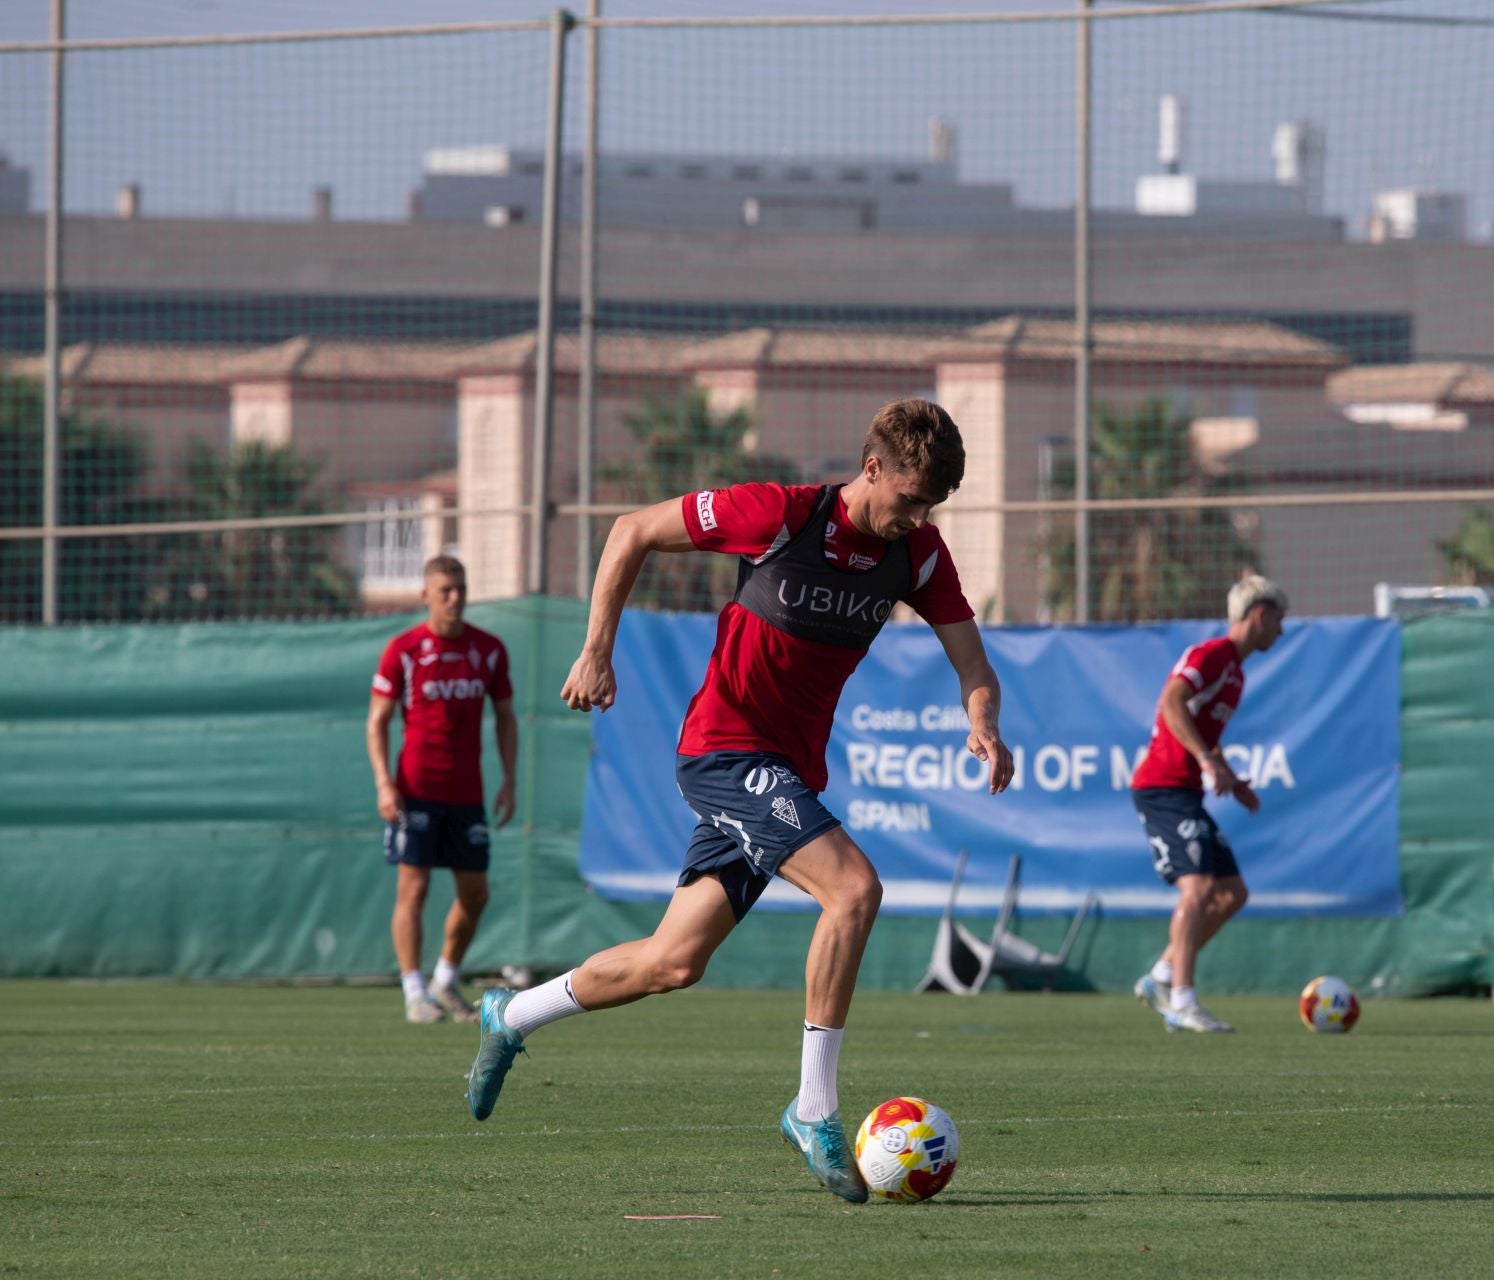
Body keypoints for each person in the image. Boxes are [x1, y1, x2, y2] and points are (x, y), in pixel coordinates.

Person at [462, 398, 1014, 1204]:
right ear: (872, 469)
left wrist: (985, 726)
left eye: (931, 506)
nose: (917, 518)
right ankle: (814, 1107)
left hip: (787, 773)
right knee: (854, 889)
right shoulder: (781, 514)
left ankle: (510, 1017)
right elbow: (630, 530)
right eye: (908, 500)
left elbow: (974, 664)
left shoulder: (920, 557)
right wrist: (596, 651)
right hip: (725, 750)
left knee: (672, 962)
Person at [1127, 575, 1287, 1034]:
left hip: (1187, 791)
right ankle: (1182, 1000)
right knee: (1196, 889)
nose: (1281, 629)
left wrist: (1230, 779)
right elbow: (1171, 702)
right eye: (1278, 618)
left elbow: (1202, 732)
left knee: (1233, 892)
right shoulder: (1212, 655)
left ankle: (1159, 975)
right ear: (1259, 616)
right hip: (1162, 787)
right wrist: (1205, 761)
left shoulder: (1236, 673)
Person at [366, 555, 517, 1024]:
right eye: (445, 590)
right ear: (425, 595)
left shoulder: (488, 650)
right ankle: (415, 993)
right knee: (413, 888)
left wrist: (509, 780)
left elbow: (506, 718)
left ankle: (445, 980)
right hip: (416, 790)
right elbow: (378, 722)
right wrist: (384, 784)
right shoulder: (404, 650)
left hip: (467, 793)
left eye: (461, 589)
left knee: (476, 894)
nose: (455, 598)